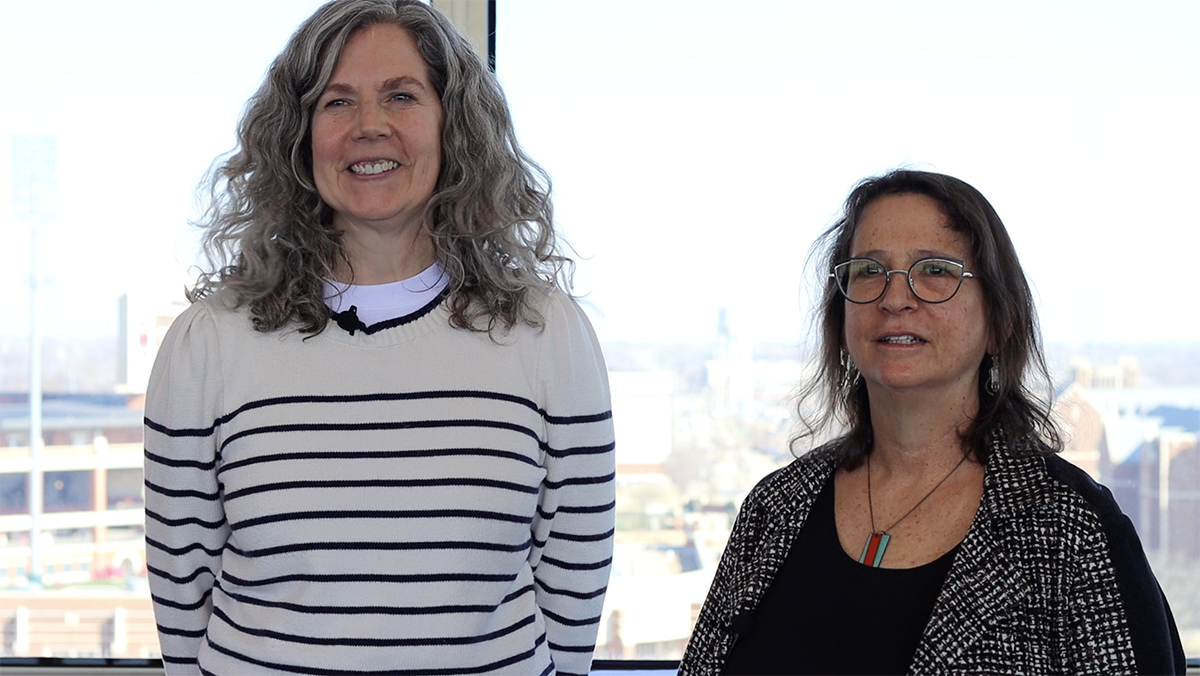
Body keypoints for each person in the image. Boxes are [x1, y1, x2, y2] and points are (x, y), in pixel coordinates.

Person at [142, 2, 615, 674]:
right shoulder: (208, 344)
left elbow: (574, 574)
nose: (370, 127)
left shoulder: (547, 335)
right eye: (337, 103)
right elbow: (182, 592)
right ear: (300, 138)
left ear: (455, 127)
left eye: (401, 96)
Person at [679, 170, 1185, 675]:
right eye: (869, 271)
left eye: (936, 270)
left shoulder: (1071, 530)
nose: (895, 298)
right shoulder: (775, 510)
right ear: (842, 320)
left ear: (1000, 322)